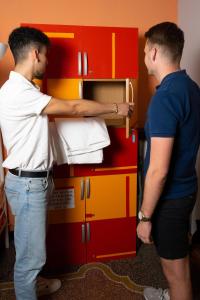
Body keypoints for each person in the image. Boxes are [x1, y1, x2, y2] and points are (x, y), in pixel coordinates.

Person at [0, 26, 133, 300]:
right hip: (28, 186)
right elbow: (74, 108)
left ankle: (35, 283)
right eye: (46, 56)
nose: (48, 62)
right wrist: (115, 107)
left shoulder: (24, 90)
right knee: (29, 258)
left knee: (34, 247)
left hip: (36, 182)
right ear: (35, 53)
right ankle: (29, 287)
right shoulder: (17, 92)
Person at [136, 22, 200, 300]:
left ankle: (176, 293)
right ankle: (171, 294)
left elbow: (158, 171)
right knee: (175, 261)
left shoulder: (164, 97)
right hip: (186, 189)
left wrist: (145, 216)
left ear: (154, 51)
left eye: (144, 50)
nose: (144, 56)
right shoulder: (191, 87)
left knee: (177, 271)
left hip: (170, 198)